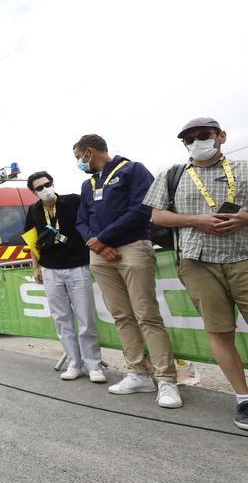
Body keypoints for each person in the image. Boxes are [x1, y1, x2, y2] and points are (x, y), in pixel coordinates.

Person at [144, 117, 248, 429]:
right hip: (197, 261)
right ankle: (243, 398)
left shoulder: (243, 168)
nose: (197, 143)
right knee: (219, 331)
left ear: (221, 136)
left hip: (243, 256)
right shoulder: (172, 174)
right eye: (190, 139)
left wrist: (244, 217)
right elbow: (156, 215)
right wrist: (195, 220)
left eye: (204, 136)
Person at [73, 134, 182, 408]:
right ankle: (137, 373)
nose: (79, 163)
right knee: (121, 315)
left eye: (79, 158)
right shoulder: (89, 184)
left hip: (132, 247)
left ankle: (166, 378)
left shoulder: (132, 170)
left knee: (147, 314)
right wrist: (95, 243)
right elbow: (81, 220)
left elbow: (141, 209)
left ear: (89, 152)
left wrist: (104, 237)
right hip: (99, 254)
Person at [24, 171, 106, 383]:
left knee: (85, 318)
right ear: (33, 192)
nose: (45, 189)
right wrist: (36, 268)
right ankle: (74, 363)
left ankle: (94, 365)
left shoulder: (73, 201)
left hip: (77, 266)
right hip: (50, 269)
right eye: (39, 188)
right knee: (62, 320)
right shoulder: (33, 210)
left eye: (47, 184)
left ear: (53, 183)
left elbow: (90, 223)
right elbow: (32, 242)